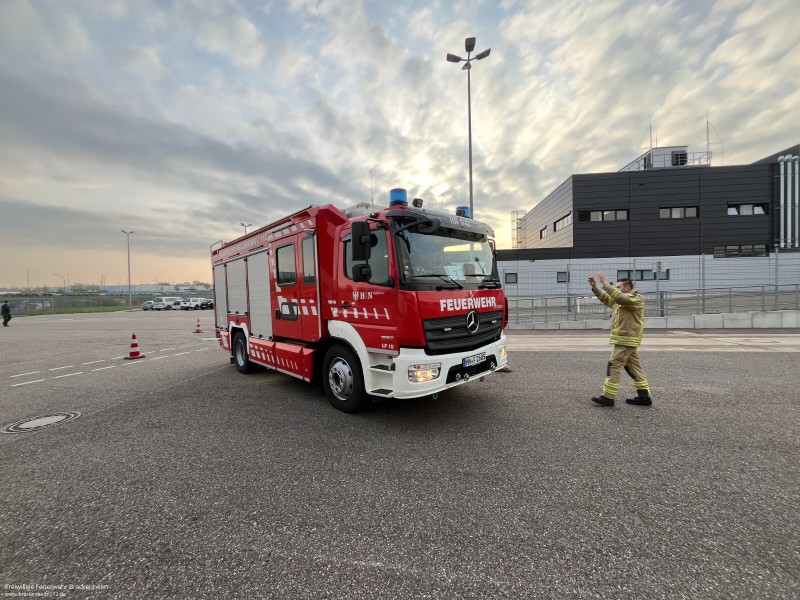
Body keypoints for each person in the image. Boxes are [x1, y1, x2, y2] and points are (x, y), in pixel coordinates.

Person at [588, 272, 653, 407]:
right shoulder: (620, 300)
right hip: (625, 339)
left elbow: (618, 297)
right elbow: (607, 299)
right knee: (633, 367)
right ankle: (643, 396)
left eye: (619, 287)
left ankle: (608, 397)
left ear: (627, 288)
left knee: (614, 364)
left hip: (626, 339)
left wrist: (605, 283)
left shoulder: (635, 298)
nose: (616, 289)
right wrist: (595, 288)